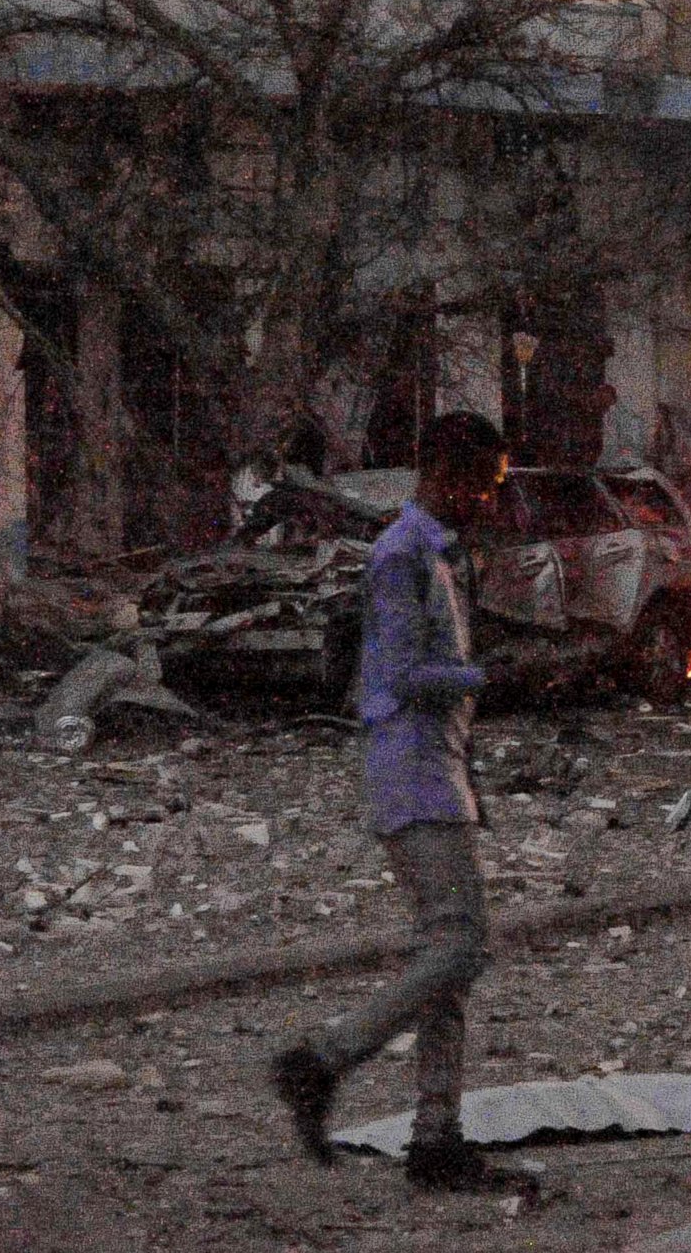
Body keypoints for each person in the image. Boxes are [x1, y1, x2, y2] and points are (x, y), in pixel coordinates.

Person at [270, 411, 510, 1190]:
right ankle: (322, 1060)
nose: (489, 501)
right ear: (448, 476)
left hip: (435, 768)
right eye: (484, 485)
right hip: (412, 770)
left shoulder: (431, 554)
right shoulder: (401, 556)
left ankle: (437, 1141)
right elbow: (405, 676)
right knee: (459, 946)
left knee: (448, 960)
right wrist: (491, 678)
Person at [596, 381, 648, 470]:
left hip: (627, 463)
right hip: (613, 462)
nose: (598, 399)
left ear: (608, 396)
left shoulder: (627, 416)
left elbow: (634, 446)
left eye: (601, 396)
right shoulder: (608, 414)